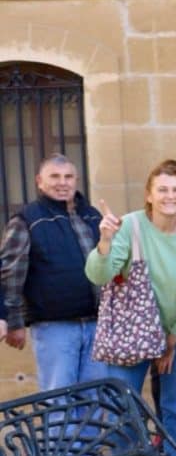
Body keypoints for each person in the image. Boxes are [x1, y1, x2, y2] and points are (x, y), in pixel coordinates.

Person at [85, 160, 176, 456]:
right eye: (163, 189)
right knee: (126, 406)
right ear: (149, 195)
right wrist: (105, 242)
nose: (170, 196)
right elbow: (99, 275)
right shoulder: (130, 226)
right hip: (132, 333)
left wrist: (171, 340)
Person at [0, 154, 104, 404]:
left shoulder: (93, 216)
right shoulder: (26, 219)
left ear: (76, 180)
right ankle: (62, 435)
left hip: (97, 325)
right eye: (54, 176)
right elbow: (10, 273)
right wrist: (13, 321)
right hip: (55, 327)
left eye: (68, 176)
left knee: (93, 401)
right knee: (58, 400)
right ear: (39, 181)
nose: (62, 182)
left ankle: (88, 434)